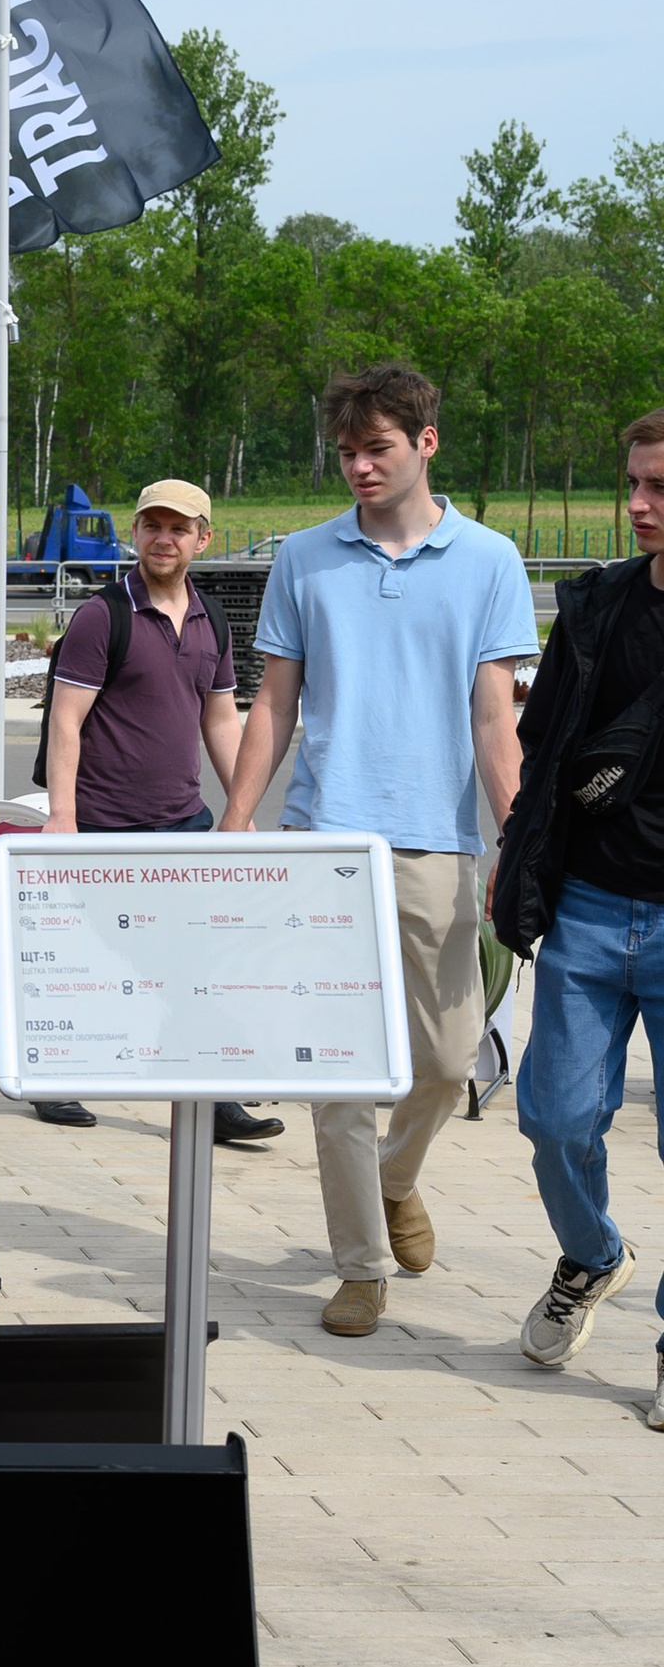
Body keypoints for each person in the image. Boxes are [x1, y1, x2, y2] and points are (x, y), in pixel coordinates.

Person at [221, 366, 535, 1337]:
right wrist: (237, 817)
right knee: (338, 1070)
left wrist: (515, 836)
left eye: (378, 449)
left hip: (436, 841)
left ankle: (397, 1180)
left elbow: (494, 714)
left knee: (446, 1058)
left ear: (426, 442)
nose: (358, 466)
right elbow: (273, 701)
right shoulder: (305, 560)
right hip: (323, 837)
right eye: (347, 452)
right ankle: (358, 1264)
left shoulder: (489, 560)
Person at [492, 405, 664, 1427]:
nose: (640, 506)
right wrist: (514, 859)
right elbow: (546, 738)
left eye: (661, 490)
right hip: (593, 909)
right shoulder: (597, 609)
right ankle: (591, 1253)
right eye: (634, 485)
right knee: (553, 1120)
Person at [36, 475, 280, 1153]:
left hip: (184, 820)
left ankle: (208, 1093)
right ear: (137, 533)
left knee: (205, 954)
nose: (163, 538)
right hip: (107, 822)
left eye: (179, 528)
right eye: (152, 525)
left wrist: (242, 809)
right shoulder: (101, 616)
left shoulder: (213, 620)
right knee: (101, 956)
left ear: (203, 538)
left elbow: (221, 722)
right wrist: (63, 815)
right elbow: (66, 721)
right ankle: (57, 1072)